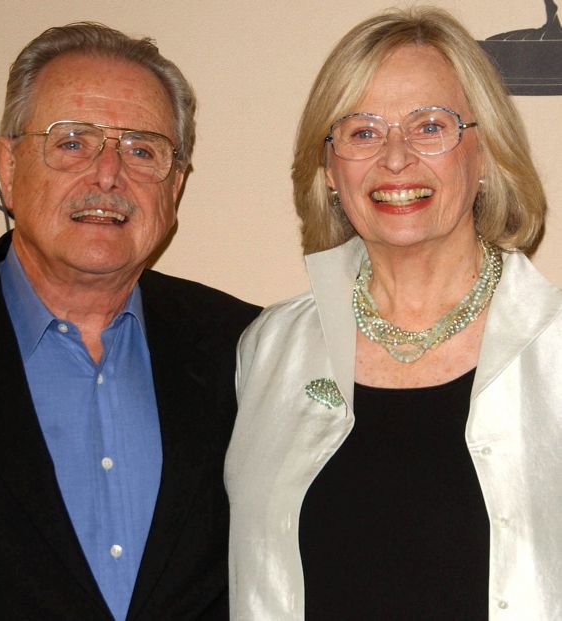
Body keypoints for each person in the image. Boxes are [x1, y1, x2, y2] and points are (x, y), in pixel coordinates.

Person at [226, 7, 562, 620]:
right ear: (329, 170)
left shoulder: (558, 347)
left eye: (430, 126)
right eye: (362, 131)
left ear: (483, 154)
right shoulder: (268, 350)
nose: (396, 158)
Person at [0, 23, 259, 621]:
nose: (108, 174)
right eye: (72, 142)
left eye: (142, 150)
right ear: (8, 168)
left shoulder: (247, 349)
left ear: (177, 185)